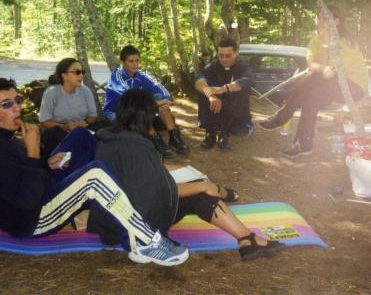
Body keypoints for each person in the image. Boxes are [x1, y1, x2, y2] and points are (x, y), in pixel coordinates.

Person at [0, 77, 189, 266]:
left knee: (81, 136)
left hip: (40, 190)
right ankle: (145, 241)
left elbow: (20, 173)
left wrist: (46, 163)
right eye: (6, 104)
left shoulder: (3, 136)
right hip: (31, 220)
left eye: (17, 100)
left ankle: (117, 191)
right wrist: (34, 154)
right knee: (95, 176)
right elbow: (27, 200)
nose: (16, 109)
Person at [87, 89, 284, 261]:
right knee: (201, 192)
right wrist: (204, 186)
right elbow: (159, 192)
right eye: (154, 113)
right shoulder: (137, 146)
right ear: (145, 116)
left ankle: (241, 230)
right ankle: (247, 239)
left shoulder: (108, 139)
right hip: (133, 229)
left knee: (197, 187)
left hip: (110, 223)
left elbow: (138, 183)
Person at [259, 6, 369, 158]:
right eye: (319, 17)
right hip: (330, 85)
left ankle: (282, 116)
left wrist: (322, 67)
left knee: (313, 77)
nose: (319, 21)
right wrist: (324, 45)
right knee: (311, 96)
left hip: (354, 87)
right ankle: (304, 145)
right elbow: (313, 65)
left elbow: (331, 72)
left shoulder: (346, 42)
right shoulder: (316, 40)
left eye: (324, 19)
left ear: (336, 22)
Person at [103, 44, 189, 158]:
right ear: (123, 62)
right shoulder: (117, 77)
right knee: (141, 109)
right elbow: (131, 99)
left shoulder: (141, 75)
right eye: (131, 61)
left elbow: (157, 86)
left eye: (137, 60)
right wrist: (155, 103)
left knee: (161, 100)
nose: (135, 64)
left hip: (135, 108)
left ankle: (174, 137)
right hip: (116, 112)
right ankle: (155, 139)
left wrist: (167, 99)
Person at [194, 37, 255, 150]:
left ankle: (224, 134)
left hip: (237, 117)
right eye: (221, 55)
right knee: (203, 92)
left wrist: (223, 89)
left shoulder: (243, 67)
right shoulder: (213, 66)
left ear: (236, 53)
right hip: (216, 111)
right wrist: (211, 95)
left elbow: (246, 80)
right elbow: (198, 79)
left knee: (236, 92)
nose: (224, 59)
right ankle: (210, 133)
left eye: (228, 56)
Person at [39, 58, 108, 155]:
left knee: (106, 126)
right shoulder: (51, 92)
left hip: (83, 128)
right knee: (52, 134)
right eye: (77, 72)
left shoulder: (85, 91)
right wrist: (65, 127)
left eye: (82, 72)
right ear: (64, 75)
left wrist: (85, 122)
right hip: (60, 131)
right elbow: (44, 122)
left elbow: (93, 116)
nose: (81, 75)